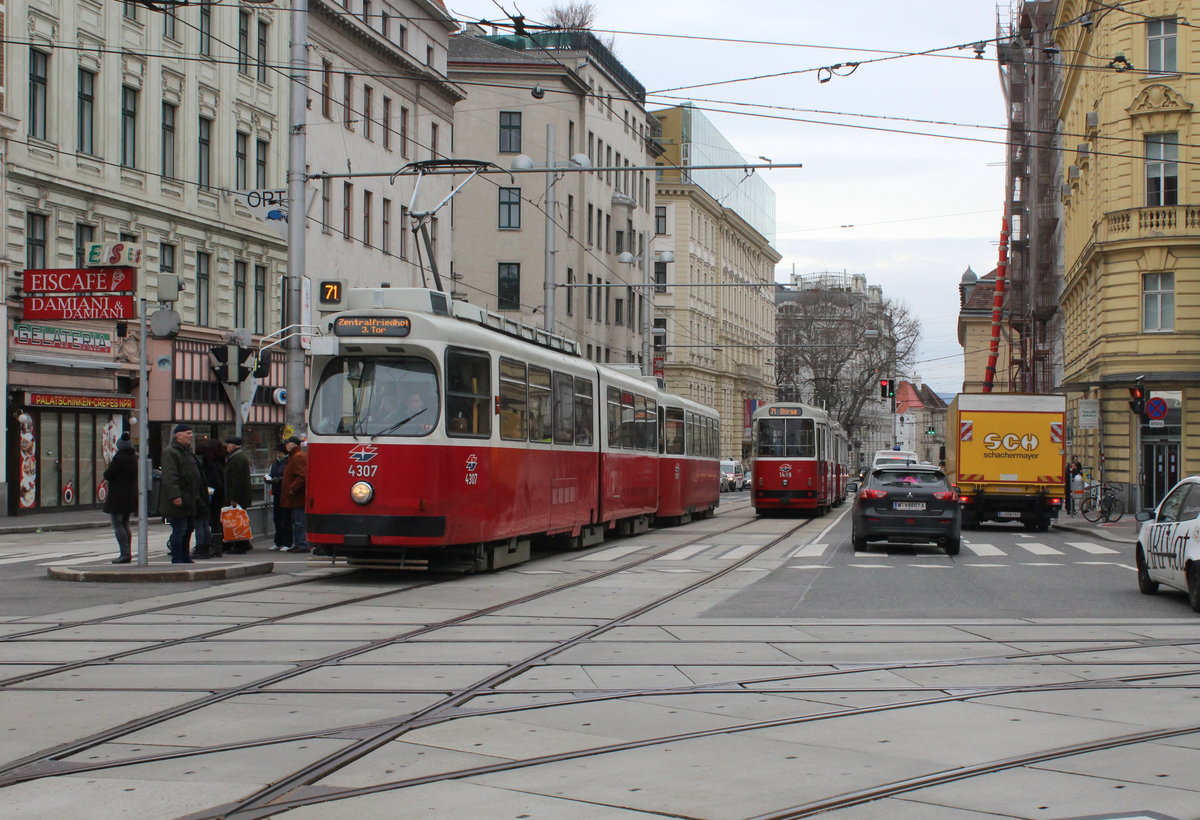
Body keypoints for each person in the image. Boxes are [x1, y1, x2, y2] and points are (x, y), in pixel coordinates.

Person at [159, 423, 205, 564]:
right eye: (187, 433)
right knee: (180, 529)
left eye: (191, 433)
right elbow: (170, 476)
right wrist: (175, 496)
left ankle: (185, 556)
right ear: (178, 435)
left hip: (190, 497)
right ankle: (177, 557)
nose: (191, 436)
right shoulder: (171, 452)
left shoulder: (186, 451)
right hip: (180, 498)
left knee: (189, 528)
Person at [103, 433, 138, 564]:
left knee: (118, 524)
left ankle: (125, 553)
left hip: (118, 496)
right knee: (125, 523)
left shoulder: (119, 458)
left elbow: (108, 474)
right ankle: (127, 552)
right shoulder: (133, 457)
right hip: (130, 495)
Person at [192, 438, 226, 559]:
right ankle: (216, 546)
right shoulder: (219, 462)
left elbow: (211, 480)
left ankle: (205, 546)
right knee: (213, 520)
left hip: (209, 495)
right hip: (218, 495)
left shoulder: (207, 464)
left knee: (203, 521)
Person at [223, 436, 254, 554]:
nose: (227, 446)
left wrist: (234, 498)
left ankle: (241, 545)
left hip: (238, 496)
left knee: (237, 521)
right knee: (238, 520)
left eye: (229, 444)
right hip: (239, 495)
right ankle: (243, 543)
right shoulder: (236, 457)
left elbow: (237, 480)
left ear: (235, 445)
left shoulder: (237, 458)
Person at [280, 436, 310, 553]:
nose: (286, 445)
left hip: (297, 496)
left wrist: (292, 489)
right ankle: (299, 543)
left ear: (293, 444)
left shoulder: (297, 457)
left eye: (287, 443)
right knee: (297, 521)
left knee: (299, 522)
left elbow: (302, 476)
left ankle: (302, 544)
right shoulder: (295, 456)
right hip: (295, 496)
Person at [264, 442, 292, 551]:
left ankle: (287, 542)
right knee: (277, 518)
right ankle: (278, 541)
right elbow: (272, 473)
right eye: (277, 453)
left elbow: (287, 477)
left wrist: (277, 480)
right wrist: (268, 478)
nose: (278, 455)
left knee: (286, 519)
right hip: (277, 492)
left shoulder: (288, 463)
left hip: (285, 493)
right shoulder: (275, 463)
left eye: (280, 453)